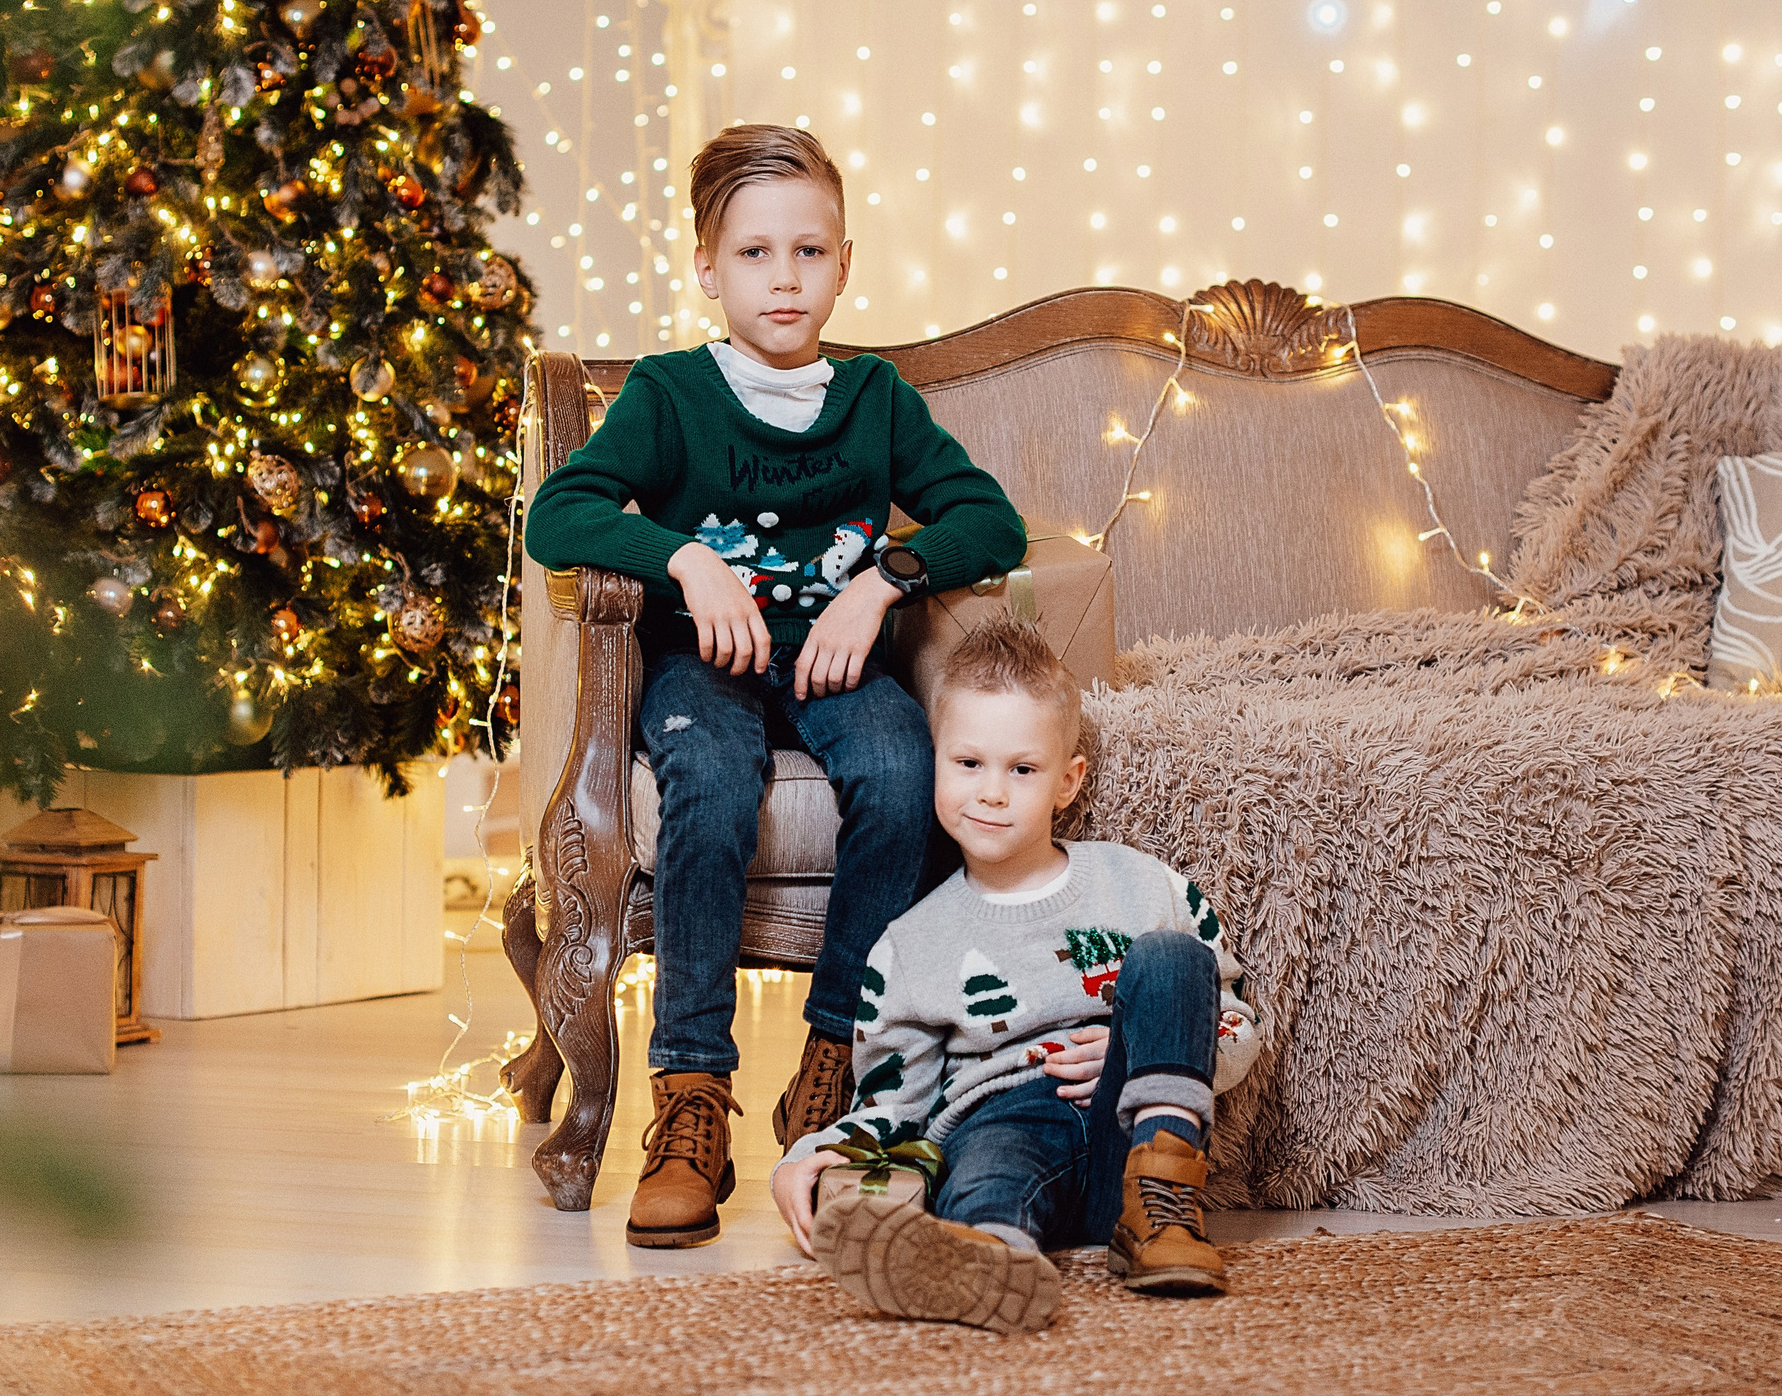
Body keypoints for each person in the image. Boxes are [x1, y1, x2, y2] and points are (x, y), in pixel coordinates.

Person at [524, 123, 1026, 1249]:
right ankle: (690, 1098)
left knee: (902, 771)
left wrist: (884, 581)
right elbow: (563, 512)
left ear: (845, 262)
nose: (783, 278)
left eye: (809, 251)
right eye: (753, 254)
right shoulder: (668, 393)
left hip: (836, 661)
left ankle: (833, 1070)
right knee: (705, 775)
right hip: (705, 665)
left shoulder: (876, 400)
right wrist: (686, 559)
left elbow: (987, 519)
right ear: (707, 268)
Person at [770, 615, 1262, 1331]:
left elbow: (1235, 1016)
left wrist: (1142, 1045)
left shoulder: (1142, 886)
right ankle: (985, 1254)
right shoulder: (909, 946)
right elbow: (893, 1102)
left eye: (1021, 769)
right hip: (1000, 1117)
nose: (992, 792)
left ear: (1067, 781)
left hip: (1135, 1128)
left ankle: (1162, 1216)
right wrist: (809, 1155)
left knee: (1172, 955)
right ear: (935, 759)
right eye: (968, 763)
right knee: (986, 1167)